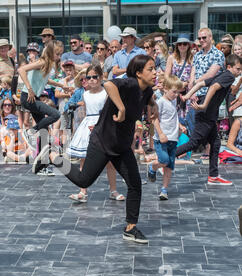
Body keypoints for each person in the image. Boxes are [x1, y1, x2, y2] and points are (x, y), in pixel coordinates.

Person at [33, 54, 159, 244]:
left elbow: (147, 99)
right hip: (102, 142)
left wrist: (154, 105)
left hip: (122, 146)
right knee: (84, 180)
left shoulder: (146, 90)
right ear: (139, 73)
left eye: (154, 68)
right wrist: (121, 108)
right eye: (150, 69)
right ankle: (52, 156)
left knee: (135, 184)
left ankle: (130, 228)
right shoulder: (130, 84)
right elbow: (109, 85)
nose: (155, 72)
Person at [177, 54, 241, 185]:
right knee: (194, 143)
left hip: (209, 114)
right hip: (206, 113)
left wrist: (188, 95)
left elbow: (201, 83)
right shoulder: (228, 76)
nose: (239, 71)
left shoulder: (222, 75)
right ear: (229, 67)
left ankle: (213, 175)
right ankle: (164, 159)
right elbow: (212, 87)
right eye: (238, 69)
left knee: (216, 144)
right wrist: (205, 104)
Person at [66, 64, 125, 203]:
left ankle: (113, 190)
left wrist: (101, 126)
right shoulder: (85, 94)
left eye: (95, 77)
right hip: (88, 125)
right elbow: (86, 112)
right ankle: (83, 191)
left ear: (101, 77)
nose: (92, 80)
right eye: (89, 77)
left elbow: (108, 111)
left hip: (102, 125)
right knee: (84, 158)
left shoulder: (106, 93)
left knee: (110, 161)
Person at [18, 40, 68, 152]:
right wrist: (30, 89)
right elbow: (21, 69)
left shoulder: (48, 64)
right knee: (55, 114)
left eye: (60, 54)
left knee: (44, 131)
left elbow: (46, 80)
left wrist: (61, 85)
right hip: (28, 97)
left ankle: (42, 164)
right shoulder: (42, 62)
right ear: (50, 52)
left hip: (33, 98)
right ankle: (30, 131)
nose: (59, 57)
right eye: (57, 54)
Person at [147, 75, 185, 200]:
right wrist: (161, 134)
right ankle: (152, 167)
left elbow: (172, 116)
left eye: (177, 92)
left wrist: (179, 125)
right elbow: (155, 119)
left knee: (169, 166)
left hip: (172, 138)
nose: (176, 95)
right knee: (164, 161)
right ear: (165, 89)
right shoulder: (161, 102)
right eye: (174, 92)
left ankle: (164, 189)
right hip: (162, 139)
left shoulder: (173, 101)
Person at [165, 34, 194, 135]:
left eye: (185, 44)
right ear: (176, 45)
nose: (182, 46)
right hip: (174, 91)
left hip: (187, 91)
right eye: (180, 44)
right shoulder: (171, 58)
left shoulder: (192, 58)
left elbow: (193, 77)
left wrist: (185, 84)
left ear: (188, 45)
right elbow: (166, 76)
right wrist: (176, 85)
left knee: (187, 116)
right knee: (174, 115)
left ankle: (188, 140)